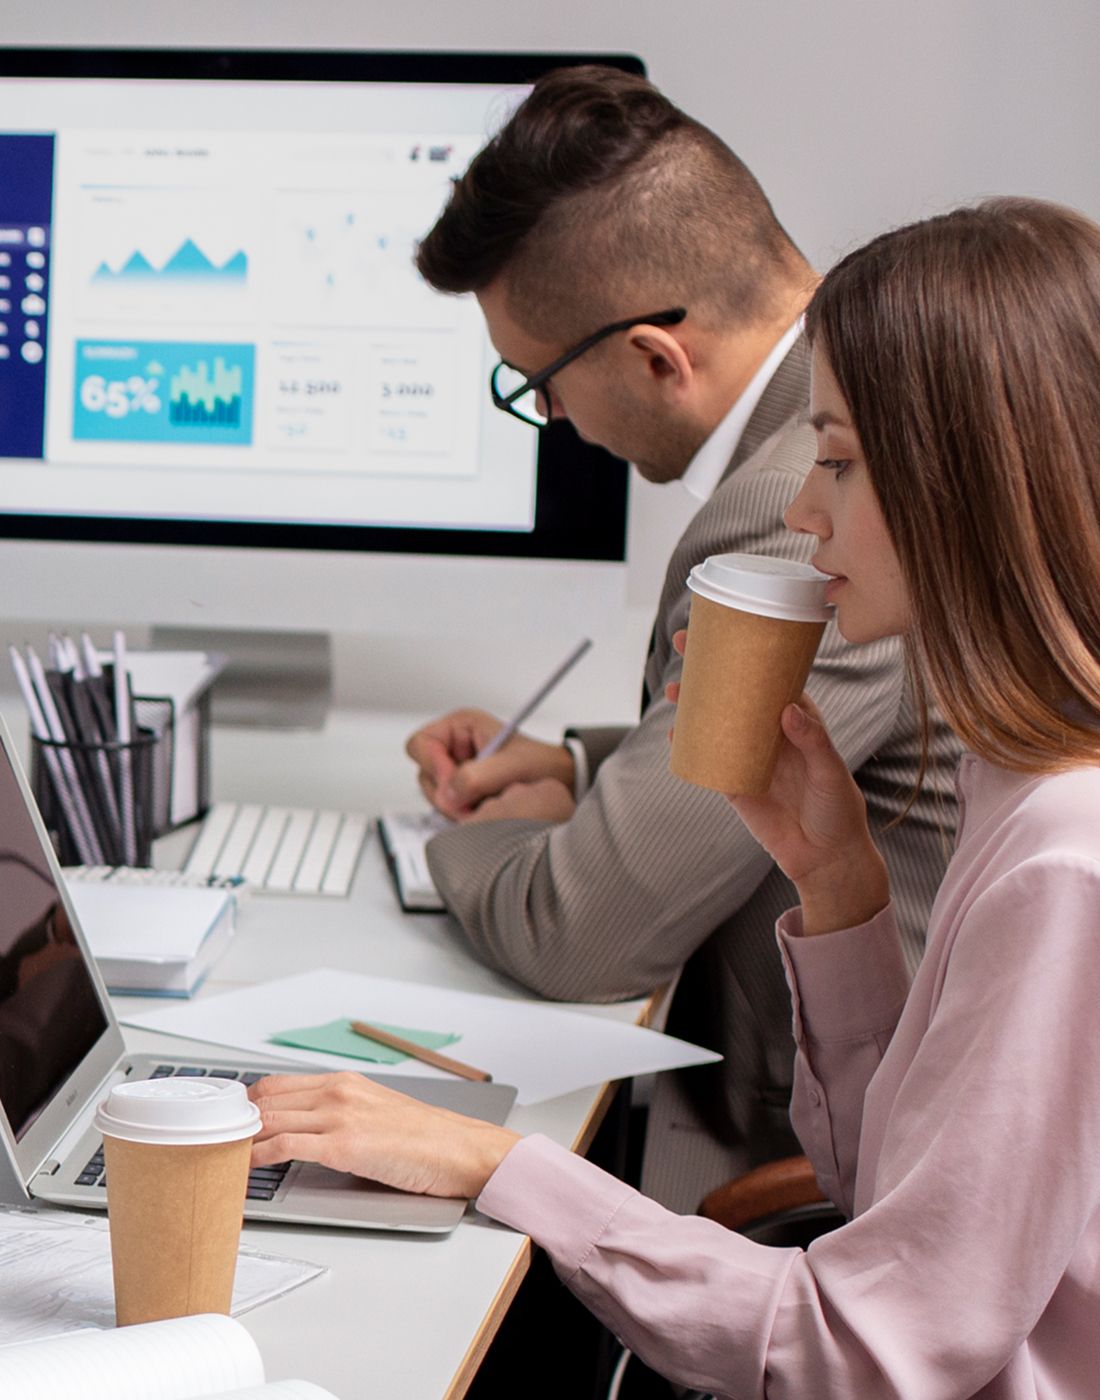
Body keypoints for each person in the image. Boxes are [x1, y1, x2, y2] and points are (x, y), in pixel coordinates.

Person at [259, 198, 1100, 1396]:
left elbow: (867, 1346)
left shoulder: (1075, 853)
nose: (805, 512)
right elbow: (903, 1198)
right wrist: (839, 887)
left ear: (981, 486)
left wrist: (494, 1161)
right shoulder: (1039, 776)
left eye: (838, 460)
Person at [393, 66, 954, 1156]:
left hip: (839, 1148)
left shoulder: (805, 511)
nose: (550, 418)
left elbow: (584, 929)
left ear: (657, 358)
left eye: (536, 385)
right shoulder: (865, 404)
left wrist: (449, 840)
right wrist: (582, 766)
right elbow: (812, 746)